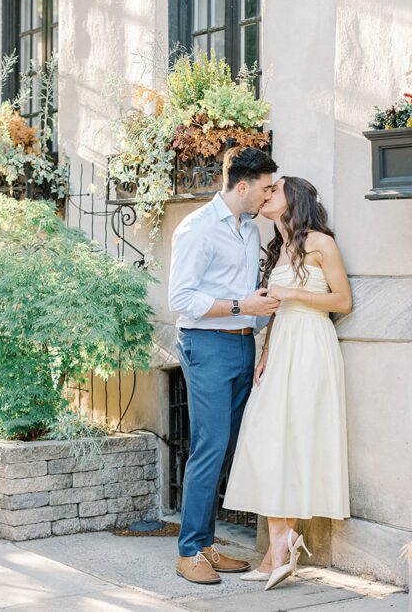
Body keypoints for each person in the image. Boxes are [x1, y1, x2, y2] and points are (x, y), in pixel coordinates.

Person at [222, 175, 352, 591]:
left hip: (312, 344)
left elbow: (343, 302)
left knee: (293, 438)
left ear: (292, 199)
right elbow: (274, 311)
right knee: (267, 437)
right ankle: (280, 543)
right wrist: (264, 354)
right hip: (281, 348)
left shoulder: (320, 243)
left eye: (274, 189)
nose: (266, 194)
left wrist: (293, 296)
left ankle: (278, 548)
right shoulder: (280, 249)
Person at [168, 146, 281, 585]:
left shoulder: (249, 229)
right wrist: (242, 304)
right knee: (210, 446)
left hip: (240, 345)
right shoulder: (196, 229)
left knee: (227, 448)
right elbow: (180, 299)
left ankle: (207, 543)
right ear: (242, 186)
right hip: (206, 344)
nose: (268, 196)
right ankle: (189, 550)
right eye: (265, 188)